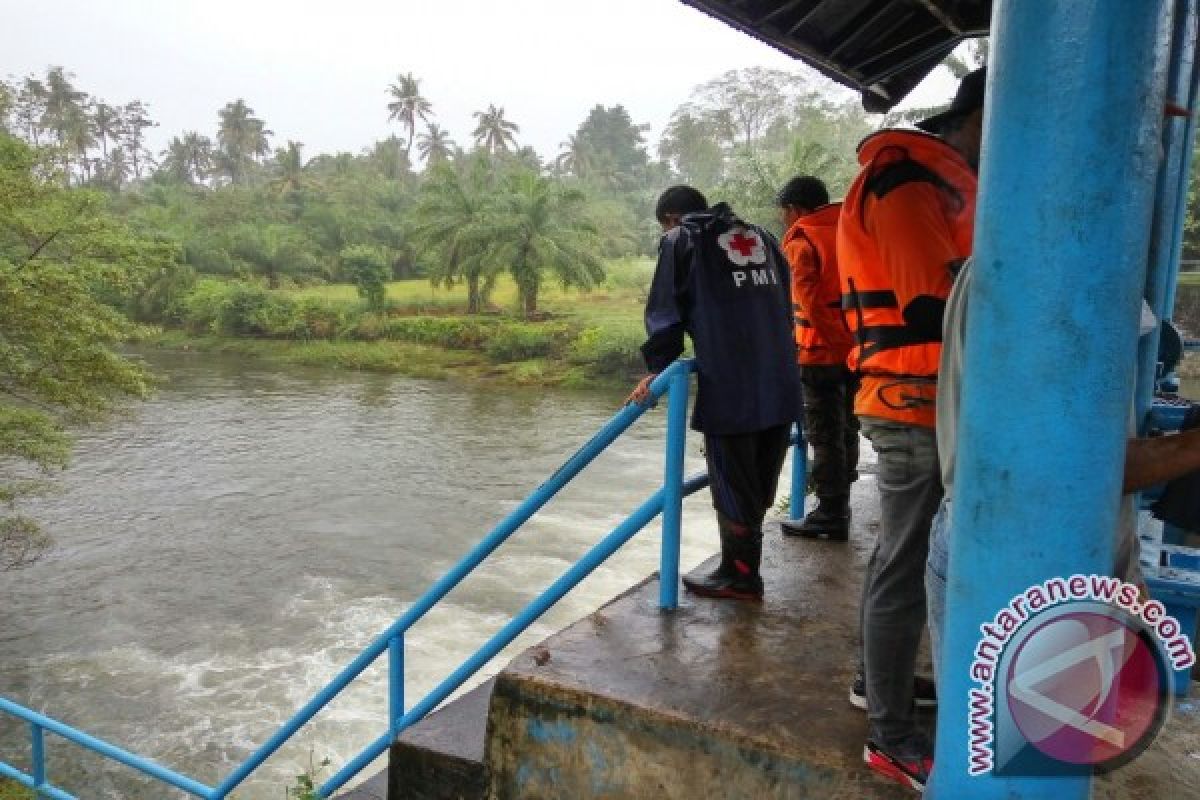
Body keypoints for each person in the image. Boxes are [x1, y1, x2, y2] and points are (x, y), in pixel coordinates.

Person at [837, 67, 985, 792]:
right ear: (983, 117)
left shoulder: (935, 182)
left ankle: (877, 682)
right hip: (911, 407)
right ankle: (891, 737)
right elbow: (935, 308)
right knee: (906, 564)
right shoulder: (905, 187)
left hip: (929, 402)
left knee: (897, 556)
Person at [628, 186, 801, 602]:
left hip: (732, 382)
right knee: (760, 478)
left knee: (731, 479)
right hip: (780, 377)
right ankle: (740, 569)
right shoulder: (762, 236)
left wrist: (657, 368)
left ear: (670, 218)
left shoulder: (682, 240)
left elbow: (665, 312)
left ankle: (740, 576)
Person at [775, 175, 859, 541]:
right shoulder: (850, 227)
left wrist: (836, 346)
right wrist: (851, 348)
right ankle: (841, 502)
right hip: (859, 347)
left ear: (794, 209)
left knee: (824, 436)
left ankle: (830, 512)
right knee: (848, 428)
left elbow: (810, 302)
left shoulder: (802, 238)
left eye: (784, 213)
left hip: (818, 351)